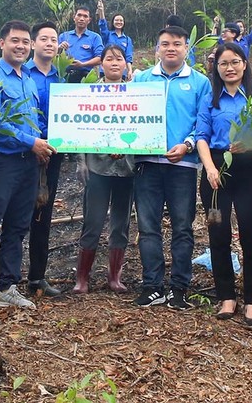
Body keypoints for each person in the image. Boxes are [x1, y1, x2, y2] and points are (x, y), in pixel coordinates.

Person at [0, 20, 56, 312]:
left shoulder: (28, 80)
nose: (20, 46)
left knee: (17, 226)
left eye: (24, 41)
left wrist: (40, 144)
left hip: (28, 164)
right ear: (2, 43)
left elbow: (35, 121)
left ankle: (7, 286)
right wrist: (32, 142)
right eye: (14, 40)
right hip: (0, 163)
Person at [132, 25, 211, 309]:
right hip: (147, 165)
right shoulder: (141, 79)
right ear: (157, 48)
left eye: (177, 44)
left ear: (186, 48)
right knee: (148, 227)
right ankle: (152, 286)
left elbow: (202, 123)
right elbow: (128, 116)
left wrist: (188, 145)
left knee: (182, 227)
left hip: (183, 165)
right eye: (165, 43)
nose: (171, 48)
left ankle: (180, 288)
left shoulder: (200, 82)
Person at [196, 42, 252, 324]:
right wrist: (210, 168)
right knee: (218, 235)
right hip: (218, 169)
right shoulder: (211, 99)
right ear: (217, 68)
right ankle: (226, 296)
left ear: (244, 64)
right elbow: (201, 135)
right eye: (224, 63)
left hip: (249, 167)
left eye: (235, 62)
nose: (229, 68)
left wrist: (250, 143)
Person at [73, 45, 135, 294]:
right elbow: (79, 127)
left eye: (118, 59)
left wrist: (129, 151)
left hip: (127, 168)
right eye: (109, 59)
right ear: (102, 64)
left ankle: (114, 277)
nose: (113, 63)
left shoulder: (136, 95)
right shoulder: (90, 93)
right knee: (93, 221)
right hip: (97, 167)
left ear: (124, 64)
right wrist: (81, 160)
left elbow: (142, 127)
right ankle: (82, 278)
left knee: (121, 223)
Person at [24, 21, 64, 297]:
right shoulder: (22, 73)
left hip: (52, 154)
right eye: (44, 39)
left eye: (53, 39)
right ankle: (7, 278)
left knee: (43, 214)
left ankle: (37, 277)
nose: (49, 43)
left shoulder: (60, 79)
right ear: (33, 43)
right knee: (17, 215)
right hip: (24, 152)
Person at [58, 6, 103, 83]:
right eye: (79, 15)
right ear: (74, 17)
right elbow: (53, 57)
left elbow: (100, 58)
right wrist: (59, 48)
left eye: (85, 16)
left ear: (89, 20)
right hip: (65, 77)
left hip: (85, 78)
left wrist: (82, 64)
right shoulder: (64, 36)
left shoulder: (95, 37)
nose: (81, 19)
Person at [97, 0, 134, 80]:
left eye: (121, 20)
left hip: (121, 71)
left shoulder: (127, 39)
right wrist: (101, 11)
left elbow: (128, 56)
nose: (119, 22)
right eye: (116, 20)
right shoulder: (107, 35)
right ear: (113, 22)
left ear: (124, 23)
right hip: (105, 70)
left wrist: (130, 70)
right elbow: (103, 26)